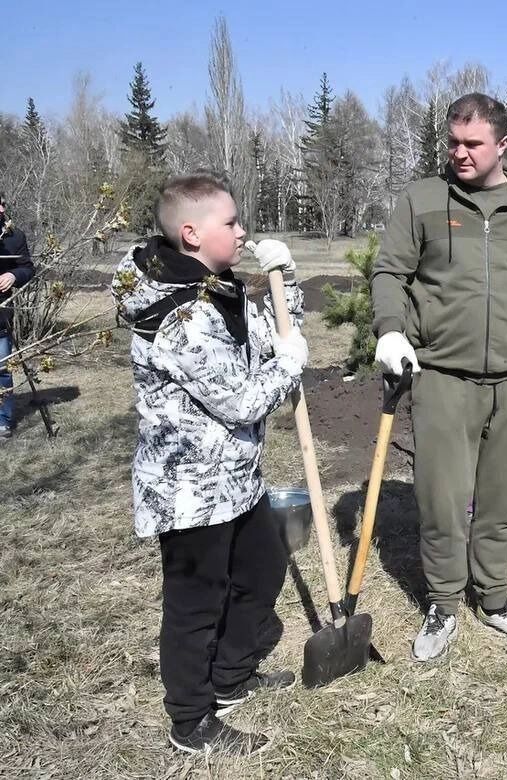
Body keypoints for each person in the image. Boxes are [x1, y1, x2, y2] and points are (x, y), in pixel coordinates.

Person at [371, 93, 507, 663]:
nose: (460, 153)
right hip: (442, 375)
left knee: (498, 499)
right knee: (442, 499)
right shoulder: (423, 200)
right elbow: (390, 271)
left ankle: (493, 598)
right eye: (453, 142)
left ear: (502, 145)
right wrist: (389, 330)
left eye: (473, 143)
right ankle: (444, 603)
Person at [110, 171, 308, 755]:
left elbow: (274, 335)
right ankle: (192, 720)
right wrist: (289, 365)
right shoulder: (179, 317)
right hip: (188, 489)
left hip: (235, 479)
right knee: (195, 604)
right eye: (231, 222)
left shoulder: (215, 288)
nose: (242, 231)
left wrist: (287, 280)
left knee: (262, 570)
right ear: (192, 234)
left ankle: (229, 677)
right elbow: (242, 399)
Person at [0, 195, 34, 439]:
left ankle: (3, 420)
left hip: (1, 315)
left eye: (2, 203)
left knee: (2, 368)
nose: (2, 208)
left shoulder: (15, 236)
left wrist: (14, 276)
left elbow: (27, 268)